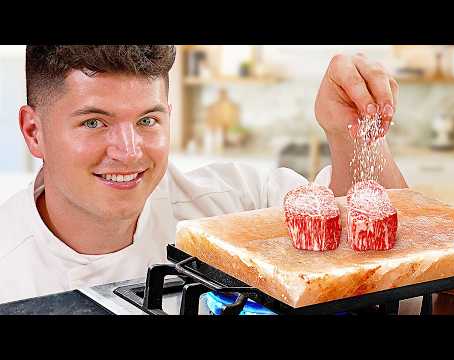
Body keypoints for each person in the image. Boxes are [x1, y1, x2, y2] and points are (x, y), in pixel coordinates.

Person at [0, 46, 408, 308]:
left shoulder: (237, 204)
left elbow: (383, 257)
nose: (128, 151)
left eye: (147, 119)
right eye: (93, 122)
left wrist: (354, 135)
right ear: (33, 132)